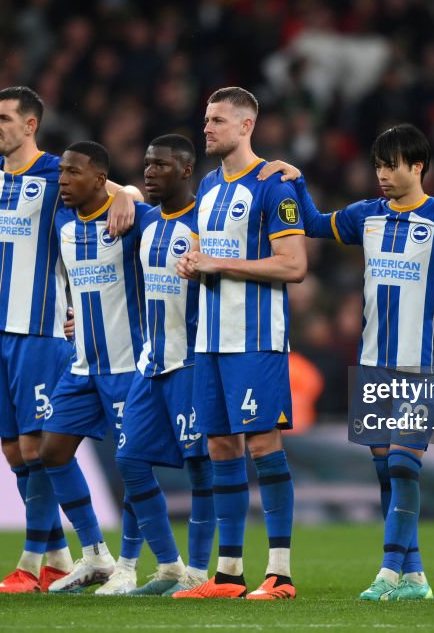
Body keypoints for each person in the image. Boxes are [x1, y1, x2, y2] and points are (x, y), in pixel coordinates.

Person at [0, 86, 139, 593]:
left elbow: (116, 189)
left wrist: (125, 194)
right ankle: (59, 553)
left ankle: (40, 559)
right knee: (14, 451)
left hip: (38, 330)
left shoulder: (54, 170)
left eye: (5, 119)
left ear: (31, 125)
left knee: (39, 446)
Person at [259, 124, 434, 601]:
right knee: (385, 468)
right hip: (373, 363)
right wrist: (295, 181)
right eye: (378, 165)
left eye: (391, 165)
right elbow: (315, 224)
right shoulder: (367, 216)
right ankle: (414, 575)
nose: (382, 174)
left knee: (403, 464)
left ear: (417, 166)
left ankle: (387, 571)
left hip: (420, 363)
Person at [173, 87, 306, 600]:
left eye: (218, 120)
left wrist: (217, 264)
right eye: (206, 118)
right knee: (220, 446)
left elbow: (294, 265)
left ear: (247, 126)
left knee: (263, 445)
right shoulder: (207, 185)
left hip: (256, 340)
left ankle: (281, 573)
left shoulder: (274, 186)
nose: (206, 127)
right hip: (210, 340)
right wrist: (194, 259)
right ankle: (228, 574)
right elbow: (208, 250)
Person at [36, 141, 151, 594]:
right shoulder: (63, 219)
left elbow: (172, 216)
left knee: (133, 466)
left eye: (72, 173)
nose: (62, 180)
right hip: (82, 364)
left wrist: (131, 194)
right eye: (61, 172)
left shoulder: (129, 218)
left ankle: (129, 564)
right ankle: (95, 555)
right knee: (53, 452)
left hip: (127, 364)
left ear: (99, 179)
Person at [107, 134, 215, 596]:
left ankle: (197, 570)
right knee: (130, 461)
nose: (150, 172)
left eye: (161, 166)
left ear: (186, 171)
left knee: (199, 467)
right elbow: (95, 186)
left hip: (191, 363)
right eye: (146, 165)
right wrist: (125, 192)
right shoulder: (146, 221)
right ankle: (169, 564)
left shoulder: (204, 224)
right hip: (149, 363)